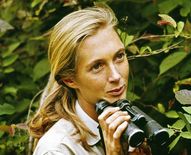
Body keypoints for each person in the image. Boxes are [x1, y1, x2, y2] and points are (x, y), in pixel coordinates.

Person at [28, 5, 151, 155]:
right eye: (97, 66)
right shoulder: (56, 149)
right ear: (69, 80)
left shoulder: (132, 127)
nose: (116, 76)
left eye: (119, 56)